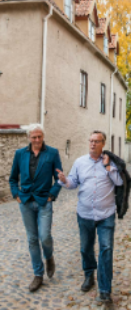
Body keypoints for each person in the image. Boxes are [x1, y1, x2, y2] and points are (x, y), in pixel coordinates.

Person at [57, 130, 123, 303]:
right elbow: (73, 183)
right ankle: (89, 275)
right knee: (86, 248)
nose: (93, 144)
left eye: (97, 141)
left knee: (106, 250)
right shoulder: (79, 162)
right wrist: (64, 180)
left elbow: (120, 182)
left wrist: (108, 167)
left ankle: (105, 289)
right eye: (91, 141)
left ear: (103, 144)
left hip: (106, 214)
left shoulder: (111, 162)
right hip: (85, 214)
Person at [8, 124, 63, 292]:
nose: (37, 140)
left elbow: (59, 178)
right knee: (32, 239)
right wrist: (16, 194)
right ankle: (38, 275)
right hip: (25, 202)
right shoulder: (20, 154)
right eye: (34, 137)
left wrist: (51, 195)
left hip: (44, 201)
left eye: (39, 136)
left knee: (45, 236)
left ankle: (49, 257)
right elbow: (12, 178)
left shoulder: (52, 153)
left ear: (43, 136)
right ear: (29, 137)